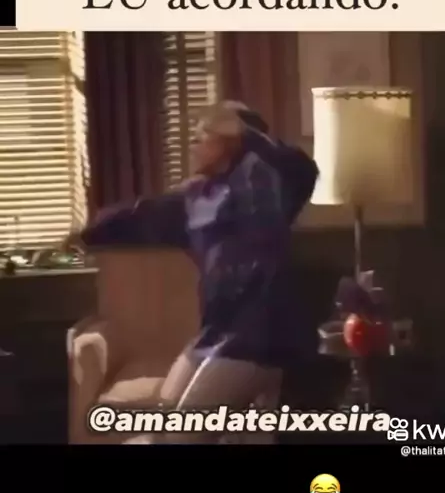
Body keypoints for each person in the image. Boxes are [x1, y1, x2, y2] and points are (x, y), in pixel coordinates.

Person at [70, 102, 319, 443]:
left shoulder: (267, 188)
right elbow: (141, 214)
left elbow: (302, 171)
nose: (193, 144)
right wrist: (84, 235)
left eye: (203, 136)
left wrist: (249, 135)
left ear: (230, 142)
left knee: (180, 438)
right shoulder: (196, 197)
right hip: (215, 334)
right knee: (159, 430)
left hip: (257, 339)